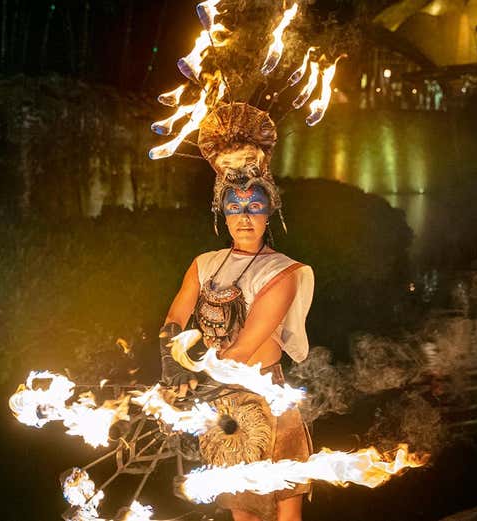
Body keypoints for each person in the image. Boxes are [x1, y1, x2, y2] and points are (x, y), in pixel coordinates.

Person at [158, 102, 314, 521]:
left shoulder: (283, 272)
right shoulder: (203, 263)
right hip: (220, 404)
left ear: (269, 211)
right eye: (235, 207)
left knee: (285, 513)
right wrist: (170, 369)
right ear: (221, 211)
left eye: (254, 207)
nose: (244, 218)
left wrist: (197, 383)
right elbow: (174, 320)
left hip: (268, 401)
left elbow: (245, 348)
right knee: (240, 513)